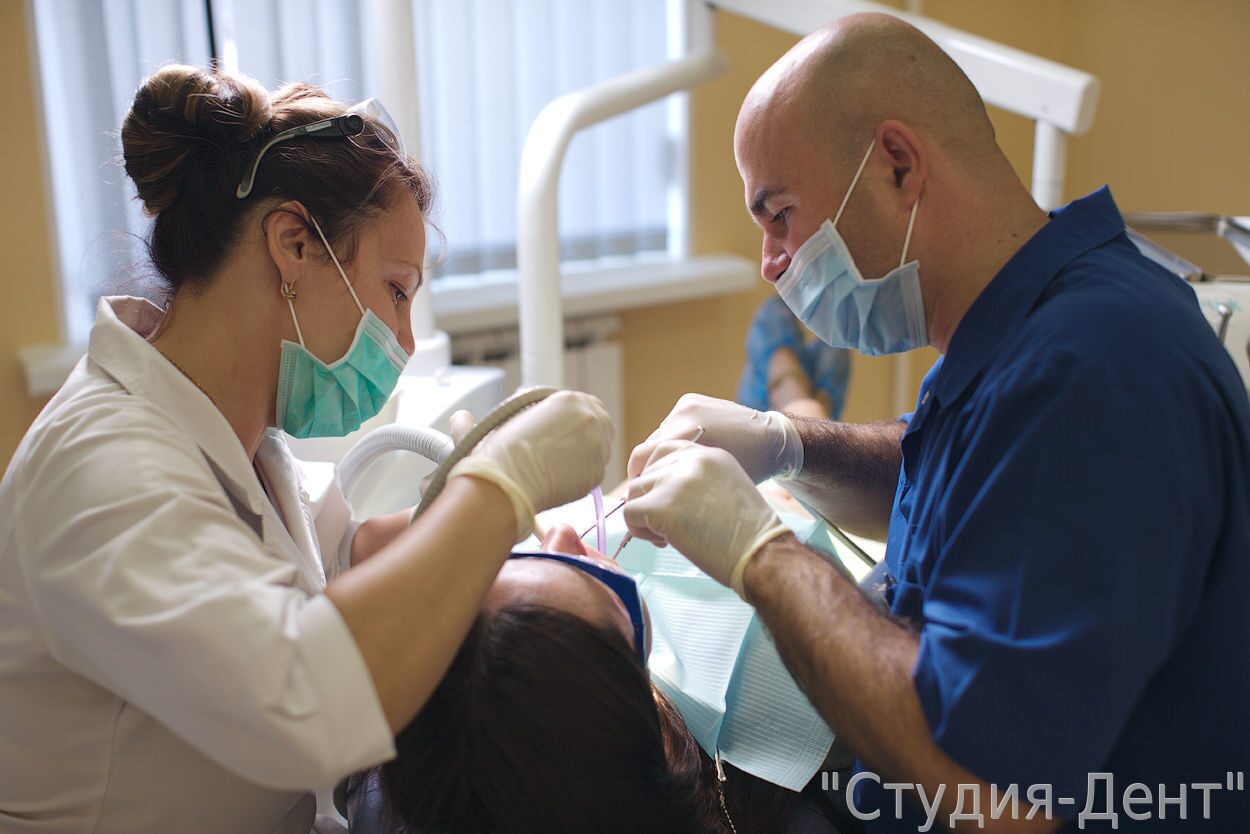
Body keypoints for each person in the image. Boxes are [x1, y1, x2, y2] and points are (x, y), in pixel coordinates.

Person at [624, 13, 1250, 834]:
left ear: (897, 163)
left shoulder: (1091, 371)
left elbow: (995, 796)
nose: (772, 262)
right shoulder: (1029, 317)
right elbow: (970, 479)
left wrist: (758, 556)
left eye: (778, 214)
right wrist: (787, 445)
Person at [0, 65, 612, 834]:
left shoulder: (238, 435)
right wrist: (499, 486)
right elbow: (308, 700)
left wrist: (509, 543)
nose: (406, 338)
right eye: (396, 289)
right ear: (292, 243)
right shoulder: (102, 468)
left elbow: (342, 550)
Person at [345, 523, 844, 834]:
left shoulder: (397, 786)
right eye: (594, 581)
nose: (562, 533)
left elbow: (365, 542)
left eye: (508, 557)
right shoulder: (789, 803)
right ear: (630, 702)